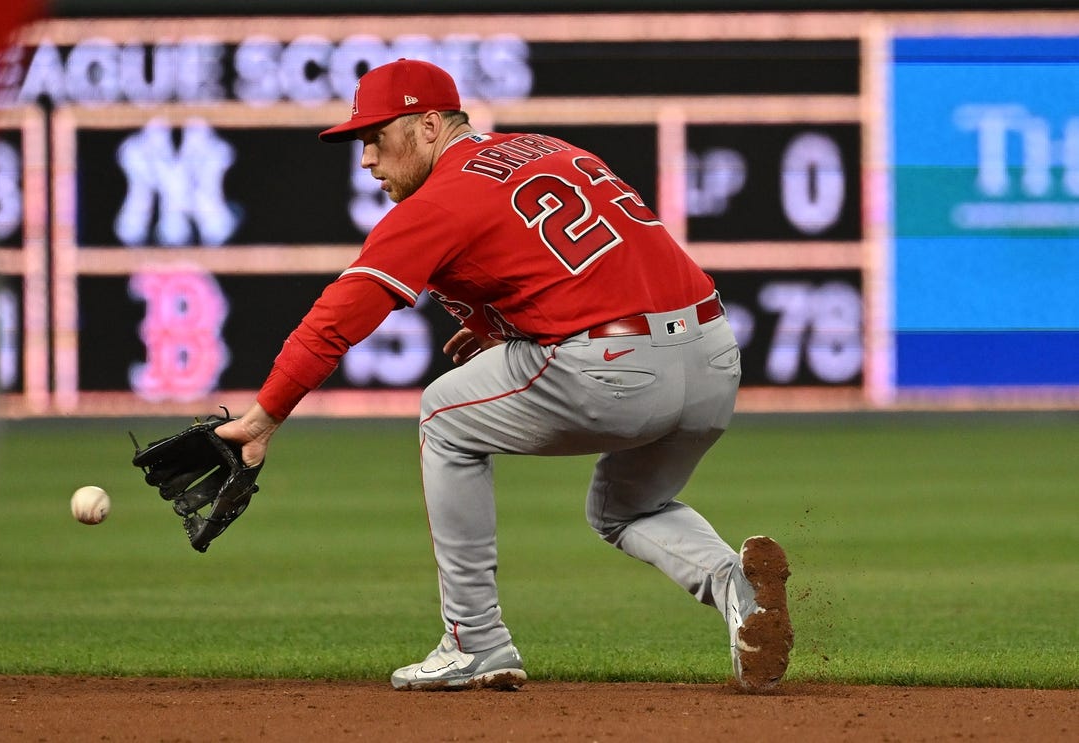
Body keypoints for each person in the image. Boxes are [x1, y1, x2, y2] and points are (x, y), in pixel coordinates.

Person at [215, 58, 793, 692]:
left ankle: (475, 641)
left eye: (377, 136)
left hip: (615, 368)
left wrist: (264, 416)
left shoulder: (436, 200)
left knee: (443, 416)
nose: (367, 158)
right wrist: (508, 327)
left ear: (430, 125)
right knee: (627, 507)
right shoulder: (550, 148)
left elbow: (337, 320)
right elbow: (596, 264)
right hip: (714, 355)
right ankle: (738, 590)